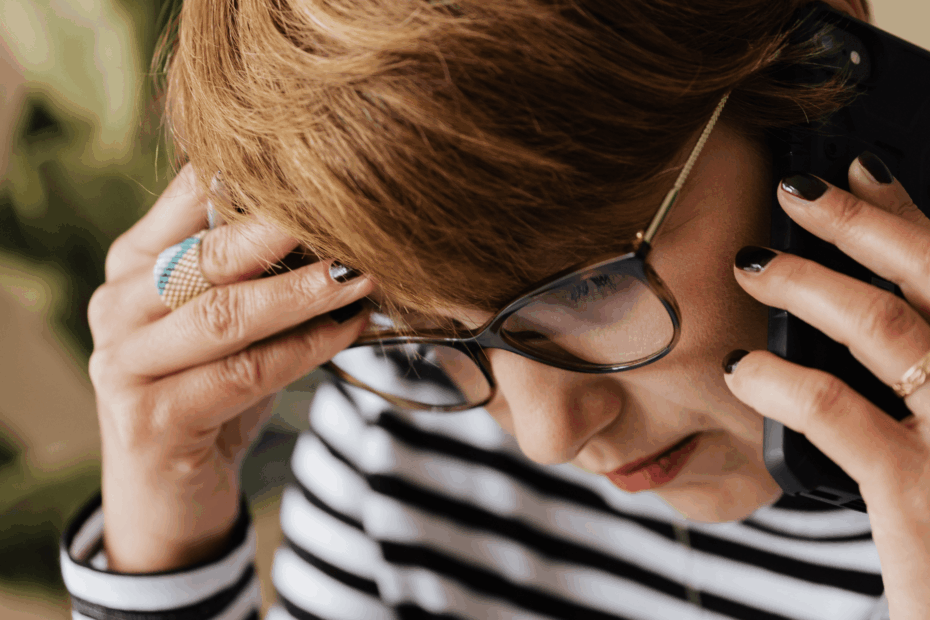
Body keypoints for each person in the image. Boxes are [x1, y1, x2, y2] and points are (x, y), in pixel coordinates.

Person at [62, 0, 930, 617]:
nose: (549, 437)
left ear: (819, 71)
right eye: (421, 335)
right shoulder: (405, 432)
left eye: (591, 286)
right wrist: (160, 552)